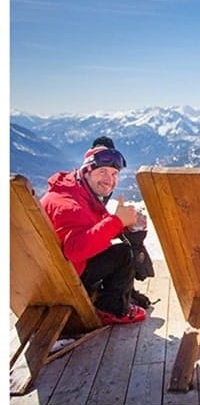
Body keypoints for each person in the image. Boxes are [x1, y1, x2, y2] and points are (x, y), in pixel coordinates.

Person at [41, 144, 147, 325]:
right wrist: (117, 221)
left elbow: (89, 225)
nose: (109, 180)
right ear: (87, 170)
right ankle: (113, 310)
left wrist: (122, 225)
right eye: (103, 172)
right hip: (65, 276)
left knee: (117, 247)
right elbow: (75, 250)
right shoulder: (69, 205)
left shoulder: (74, 190)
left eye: (114, 174)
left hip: (53, 270)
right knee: (123, 253)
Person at [91, 136, 155, 311]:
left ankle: (128, 290)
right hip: (82, 262)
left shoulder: (93, 182)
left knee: (132, 233)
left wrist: (121, 223)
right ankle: (119, 300)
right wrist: (118, 222)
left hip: (82, 253)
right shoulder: (90, 184)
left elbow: (94, 223)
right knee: (126, 247)